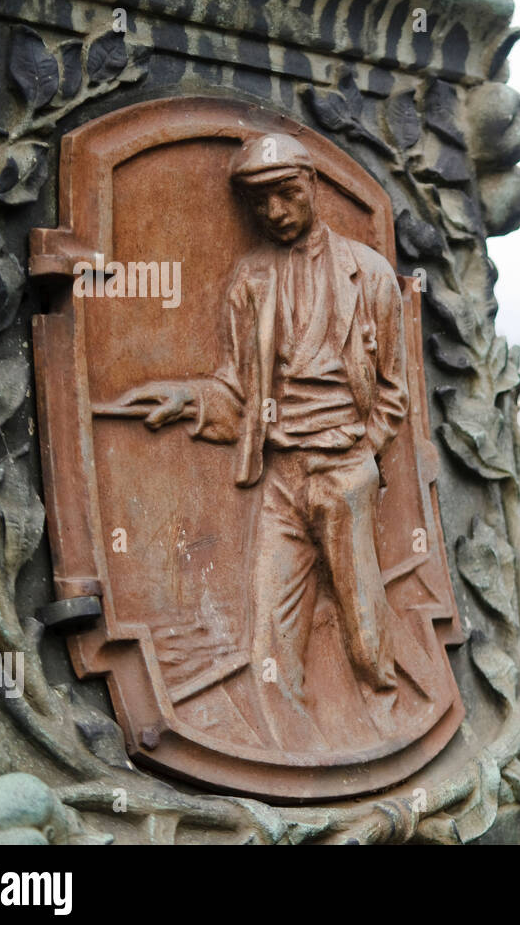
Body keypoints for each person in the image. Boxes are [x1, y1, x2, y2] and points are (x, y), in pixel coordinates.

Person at [115, 133, 409, 733]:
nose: (274, 212)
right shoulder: (250, 279)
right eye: (259, 202)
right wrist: (188, 400)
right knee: (270, 634)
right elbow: (238, 392)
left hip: (343, 471)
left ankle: (386, 722)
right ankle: (292, 743)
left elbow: (394, 390)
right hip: (280, 478)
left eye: (286, 194)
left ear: (312, 187)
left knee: (363, 621)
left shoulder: (371, 274)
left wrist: (364, 456)